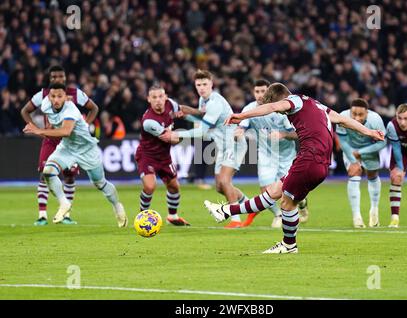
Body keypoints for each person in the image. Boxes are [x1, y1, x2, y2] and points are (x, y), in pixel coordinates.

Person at [204, 83, 384, 254]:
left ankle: (288, 244)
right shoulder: (317, 105)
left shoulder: (294, 101)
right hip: (321, 163)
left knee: (285, 203)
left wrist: (241, 116)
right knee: (275, 191)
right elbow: (343, 120)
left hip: (309, 159)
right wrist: (369, 132)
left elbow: (273, 108)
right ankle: (225, 211)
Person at [23, 83, 127, 227]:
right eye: (53, 96)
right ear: (48, 97)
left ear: (66, 97)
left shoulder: (70, 109)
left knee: (100, 183)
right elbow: (54, 122)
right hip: (67, 147)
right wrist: (43, 128)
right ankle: (64, 203)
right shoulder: (46, 105)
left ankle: (117, 206)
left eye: (60, 96)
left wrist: (39, 131)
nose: (56, 100)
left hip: (86, 149)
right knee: (48, 171)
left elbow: (66, 131)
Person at [160, 70, 248, 228]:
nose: (201, 88)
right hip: (222, 146)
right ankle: (250, 205)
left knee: (224, 181)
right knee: (220, 187)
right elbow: (204, 120)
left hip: (234, 143)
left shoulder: (215, 102)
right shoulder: (203, 100)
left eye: (204, 84)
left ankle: (236, 220)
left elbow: (202, 131)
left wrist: (176, 134)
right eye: (198, 85)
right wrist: (185, 116)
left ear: (211, 84)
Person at [20, 65, 99, 226]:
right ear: (49, 79)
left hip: (70, 141)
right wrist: (35, 128)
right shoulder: (42, 95)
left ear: (65, 78)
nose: (58, 79)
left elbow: (94, 108)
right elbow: (24, 111)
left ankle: (66, 215)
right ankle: (42, 215)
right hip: (50, 139)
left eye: (60, 76)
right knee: (44, 174)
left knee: (69, 176)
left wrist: (84, 125)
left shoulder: (75, 94)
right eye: (54, 77)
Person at [235, 79, 307, 228]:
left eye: (263, 91)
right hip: (265, 154)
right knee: (265, 190)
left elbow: (298, 133)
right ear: (253, 92)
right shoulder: (249, 109)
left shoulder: (281, 109)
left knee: (291, 191)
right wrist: (238, 132)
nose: (260, 95)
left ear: (269, 92)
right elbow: (242, 126)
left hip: (286, 155)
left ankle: (302, 203)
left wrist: (283, 134)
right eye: (257, 91)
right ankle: (278, 214)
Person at [135, 85, 190, 226]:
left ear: (165, 97)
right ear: (149, 99)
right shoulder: (149, 121)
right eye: (154, 97)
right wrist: (194, 133)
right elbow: (170, 138)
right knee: (149, 186)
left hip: (164, 156)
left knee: (174, 187)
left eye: (160, 96)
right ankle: (142, 216)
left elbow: (181, 111)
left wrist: (197, 117)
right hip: (147, 155)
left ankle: (172, 216)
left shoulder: (171, 104)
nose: (158, 100)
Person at [336, 98, 386, 228]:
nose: (357, 118)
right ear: (350, 112)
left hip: (369, 149)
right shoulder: (343, 116)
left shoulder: (376, 120)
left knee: (372, 175)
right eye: (354, 114)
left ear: (367, 113)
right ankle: (356, 216)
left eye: (361, 115)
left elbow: (383, 142)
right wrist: (353, 160)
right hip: (350, 149)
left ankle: (374, 210)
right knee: (354, 172)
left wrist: (361, 152)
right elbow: (342, 140)